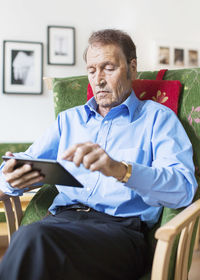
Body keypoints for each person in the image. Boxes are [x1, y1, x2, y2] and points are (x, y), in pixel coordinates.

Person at [0, 29, 197, 280]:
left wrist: (121, 170)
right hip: (59, 223)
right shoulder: (69, 120)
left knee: (31, 239)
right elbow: (18, 169)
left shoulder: (158, 119)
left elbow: (183, 188)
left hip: (119, 233)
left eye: (108, 68)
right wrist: (11, 177)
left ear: (132, 68)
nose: (98, 79)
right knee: (31, 241)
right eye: (92, 70)